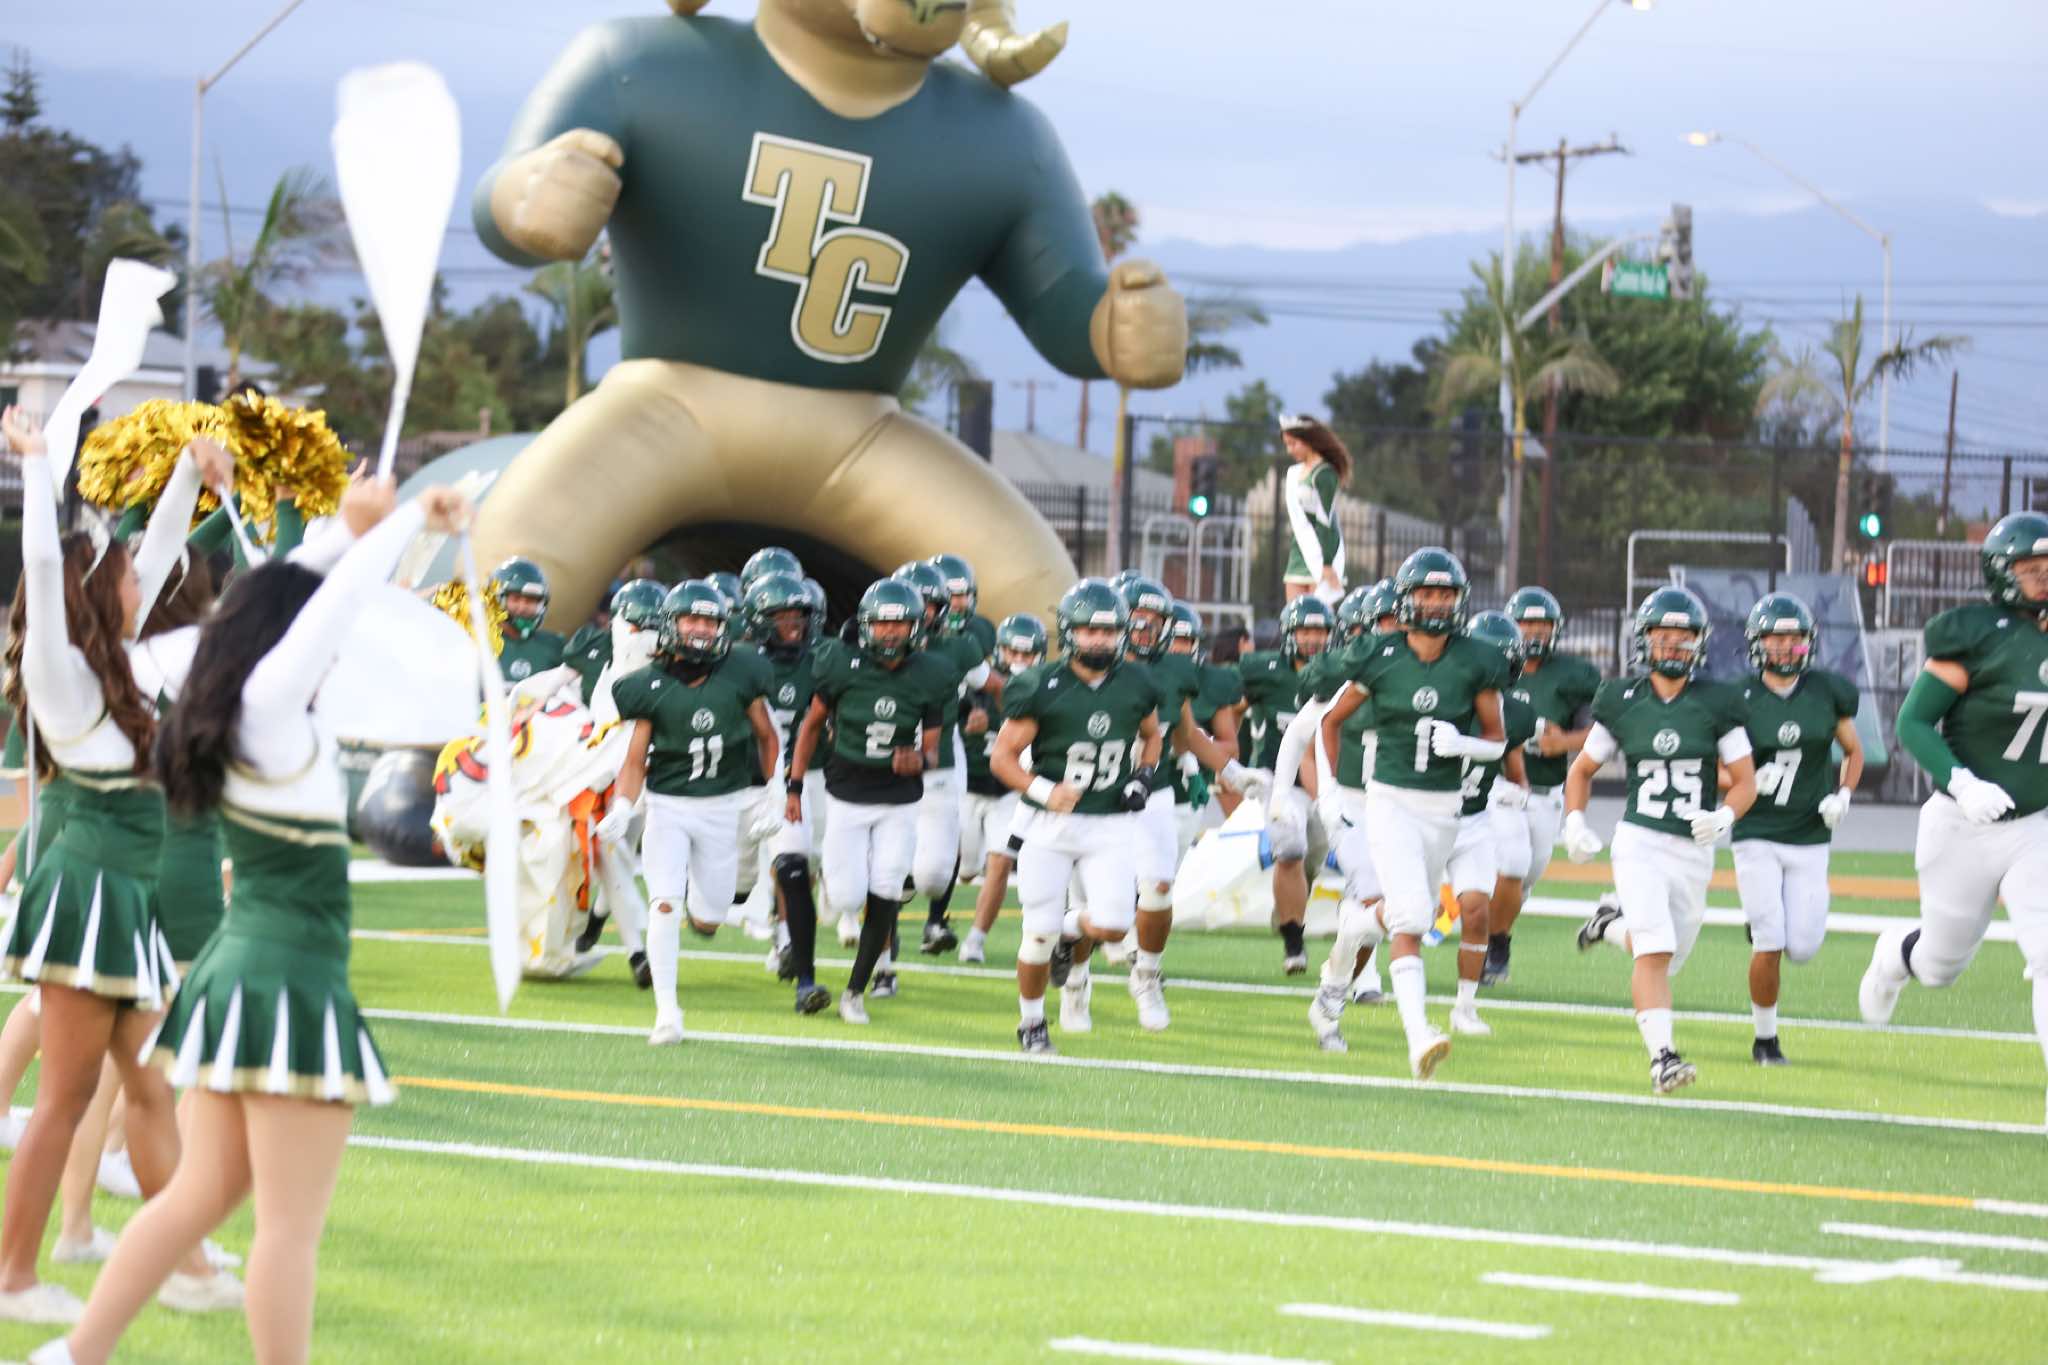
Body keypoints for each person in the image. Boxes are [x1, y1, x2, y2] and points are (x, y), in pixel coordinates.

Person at [35, 475, 473, 1365]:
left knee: (197, 1197)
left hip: (244, 970)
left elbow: (282, 599)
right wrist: (393, 524)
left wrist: (346, 532)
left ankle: (74, 1355)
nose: (333, 655)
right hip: (286, 980)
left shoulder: (227, 696)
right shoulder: (269, 706)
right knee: (288, 1228)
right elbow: (318, 618)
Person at [0, 408, 231, 1324]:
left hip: (125, 901)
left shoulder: (126, 663)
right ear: (101, 590)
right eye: (130, 572)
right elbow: (44, 560)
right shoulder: (61, 675)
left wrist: (190, 471)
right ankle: (14, 1277)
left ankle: (187, 1265)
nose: (147, 576)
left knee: (148, 1085)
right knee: (64, 1099)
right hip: (87, 897)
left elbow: (165, 542)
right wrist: (38, 462)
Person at [1861, 512, 2048, 1120]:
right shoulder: (1978, 634)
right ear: (2002, 573)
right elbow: (1914, 722)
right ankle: (1896, 955)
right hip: (1962, 823)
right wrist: (1963, 784)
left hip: (2035, 825)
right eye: (2031, 567)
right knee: (1940, 965)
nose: (2043, 577)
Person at [1314, 548, 1508, 1077]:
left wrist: (1464, 743)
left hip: (1444, 809)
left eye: (1445, 594)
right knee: (1415, 918)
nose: (1437, 603)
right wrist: (1330, 790)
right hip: (1390, 801)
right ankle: (1419, 1035)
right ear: (1407, 598)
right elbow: (1330, 721)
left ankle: (1351, 930)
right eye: (1427, 593)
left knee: (1398, 913)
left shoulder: (1476, 660)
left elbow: (1497, 740)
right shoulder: (1381, 655)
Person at [1564, 586, 1757, 1095]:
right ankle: (1663, 1059)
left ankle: (1609, 925)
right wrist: (1574, 821)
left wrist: (1724, 815)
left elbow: (1745, 781)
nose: (1672, 645)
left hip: (1693, 849)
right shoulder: (1622, 699)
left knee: (1664, 956)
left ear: (1698, 642)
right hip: (1640, 842)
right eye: (1662, 635)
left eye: (1682, 636)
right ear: (1644, 639)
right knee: (1655, 948)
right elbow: (1581, 770)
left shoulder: (1717, 702)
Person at [602, 580, 780, 1044]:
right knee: (664, 903)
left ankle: (705, 907)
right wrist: (623, 805)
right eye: (691, 619)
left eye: (709, 620)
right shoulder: (648, 684)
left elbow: (767, 736)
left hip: (723, 808)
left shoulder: (742, 672)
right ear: (671, 624)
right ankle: (667, 1013)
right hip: (669, 807)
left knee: (710, 915)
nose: (701, 628)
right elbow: (635, 760)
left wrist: (772, 791)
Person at [992, 580, 1165, 1052]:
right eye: (1090, 630)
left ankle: (1069, 931)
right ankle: (1032, 1022)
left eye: (1108, 632)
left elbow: (1152, 735)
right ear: (1070, 632)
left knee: (1112, 924)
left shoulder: (1136, 683)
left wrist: (1143, 775)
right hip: (1049, 825)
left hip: (1108, 821)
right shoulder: (1041, 685)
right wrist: (1044, 790)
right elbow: (1002, 757)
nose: (1100, 641)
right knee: (1037, 934)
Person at [785, 578, 955, 1024]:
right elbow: (810, 725)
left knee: (887, 889)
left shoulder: (931, 674)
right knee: (846, 895)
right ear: (865, 625)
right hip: (847, 795)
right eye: (881, 623)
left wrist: (919, 759)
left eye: (899, 624)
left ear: (916, 627)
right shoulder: (841, 664)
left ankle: (855, 992)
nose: (890, 632)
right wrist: (794, 786)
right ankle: (836, 887)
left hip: (899, 800)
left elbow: (933, 751)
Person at [1096, 574, 1259, 1027]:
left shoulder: (1174, 671)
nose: (1146, 627)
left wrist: (1232, 773)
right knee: (1101, 907)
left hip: (1154, 790)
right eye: (1138, 617)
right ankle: (1074, 976)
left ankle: (1146, 974)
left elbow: (1187, 734)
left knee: (1159, 884)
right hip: (1095, 794)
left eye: (1155, 620)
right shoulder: (1094, 663)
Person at [1727, 592, 1862, 1065]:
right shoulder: (1739, 699)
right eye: (1776, 637)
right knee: (1771, 939)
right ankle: (1765, 1041)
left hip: (1809, 833)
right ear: (1758, 642)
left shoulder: (1826, 691)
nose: (1785, 646)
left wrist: (1843, 795)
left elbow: (1854, 751)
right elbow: (1714, 765)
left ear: (1808, 642)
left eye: (1794, 637)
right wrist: (1745, 780)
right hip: (1756, 830)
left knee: (1802, 948)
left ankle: (1764, 924)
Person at [1485, 586, 1603, 987]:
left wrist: (1563, 742)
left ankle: (1495, 934)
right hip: (1500, 787)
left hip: (1546, 793)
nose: (1534, 631)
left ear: (1556, 629)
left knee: (1525, 877)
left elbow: (1601, 732)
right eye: (1526, 623)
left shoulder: (1574, 675)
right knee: (1512, 863)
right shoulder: (1494, 666)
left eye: (1542, 624)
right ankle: (1494, 946)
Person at [1439, 611, 1536, 1039]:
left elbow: (1515, 772)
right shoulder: (1445, 697)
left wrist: (1516, 791)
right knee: (1402, 914)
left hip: (1474, 818)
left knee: (1477, 910)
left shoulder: (1514, 713)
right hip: (1424, 814)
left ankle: (1465, 1006)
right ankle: (1347, 976)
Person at [892, 559, 989, 962]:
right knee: (889, 850)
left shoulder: (961, 643)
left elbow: (985, 686)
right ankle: (884, 934)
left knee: (942, 851)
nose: (923, 611)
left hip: (942, 754)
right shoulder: (875, 647)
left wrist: (980, 711)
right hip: (888, 758)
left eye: (931, 603)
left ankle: (935, 917)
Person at [1238, 596, 1336, 974]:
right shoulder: (1265, 670)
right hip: (1278, 780)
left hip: (1324, 783)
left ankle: (1289, 911)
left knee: (1312, 857)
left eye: (1319, 631)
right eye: (1305, 631)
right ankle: (1294, 943)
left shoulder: (1337, 673)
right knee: (1290, 850)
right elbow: (1228, 703)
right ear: (1289, 634)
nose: (1312, 639)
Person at [958, 614, 1046, 965]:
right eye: (1013, 652)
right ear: (999, 651)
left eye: (1027, 654)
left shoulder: (1045, 689)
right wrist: (966, 726)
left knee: (1000, 861)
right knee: (964, 870)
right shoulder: (977, 683)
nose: (1019, 660)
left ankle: (975, 940)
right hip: (966, 788)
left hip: (1008, 792)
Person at [1165, 603, 1243, 857]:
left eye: (1185, 640)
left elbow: (1230, 747)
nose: (1178, 648)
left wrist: (1193, 743)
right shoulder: (1142, 677)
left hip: (1190, 797)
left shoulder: (1210, 682)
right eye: (1173, 639)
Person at [1277, 414, 1350, 604]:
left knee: (1319, 615)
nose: (1289, 450)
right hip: (1299, 551)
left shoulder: (1325, 473)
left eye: (1293, 444)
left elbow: (1325, 520)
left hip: (1322, 553)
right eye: (1287, 444)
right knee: (1293, 615)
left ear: (1308, 440)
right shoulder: (1295, 472)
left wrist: (1327, 564)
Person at [491, 556, 567, 682]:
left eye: (531, 600)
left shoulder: (555, 646)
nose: (523, 607)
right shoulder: (477, 644)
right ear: (498, 600)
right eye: (515, 599)